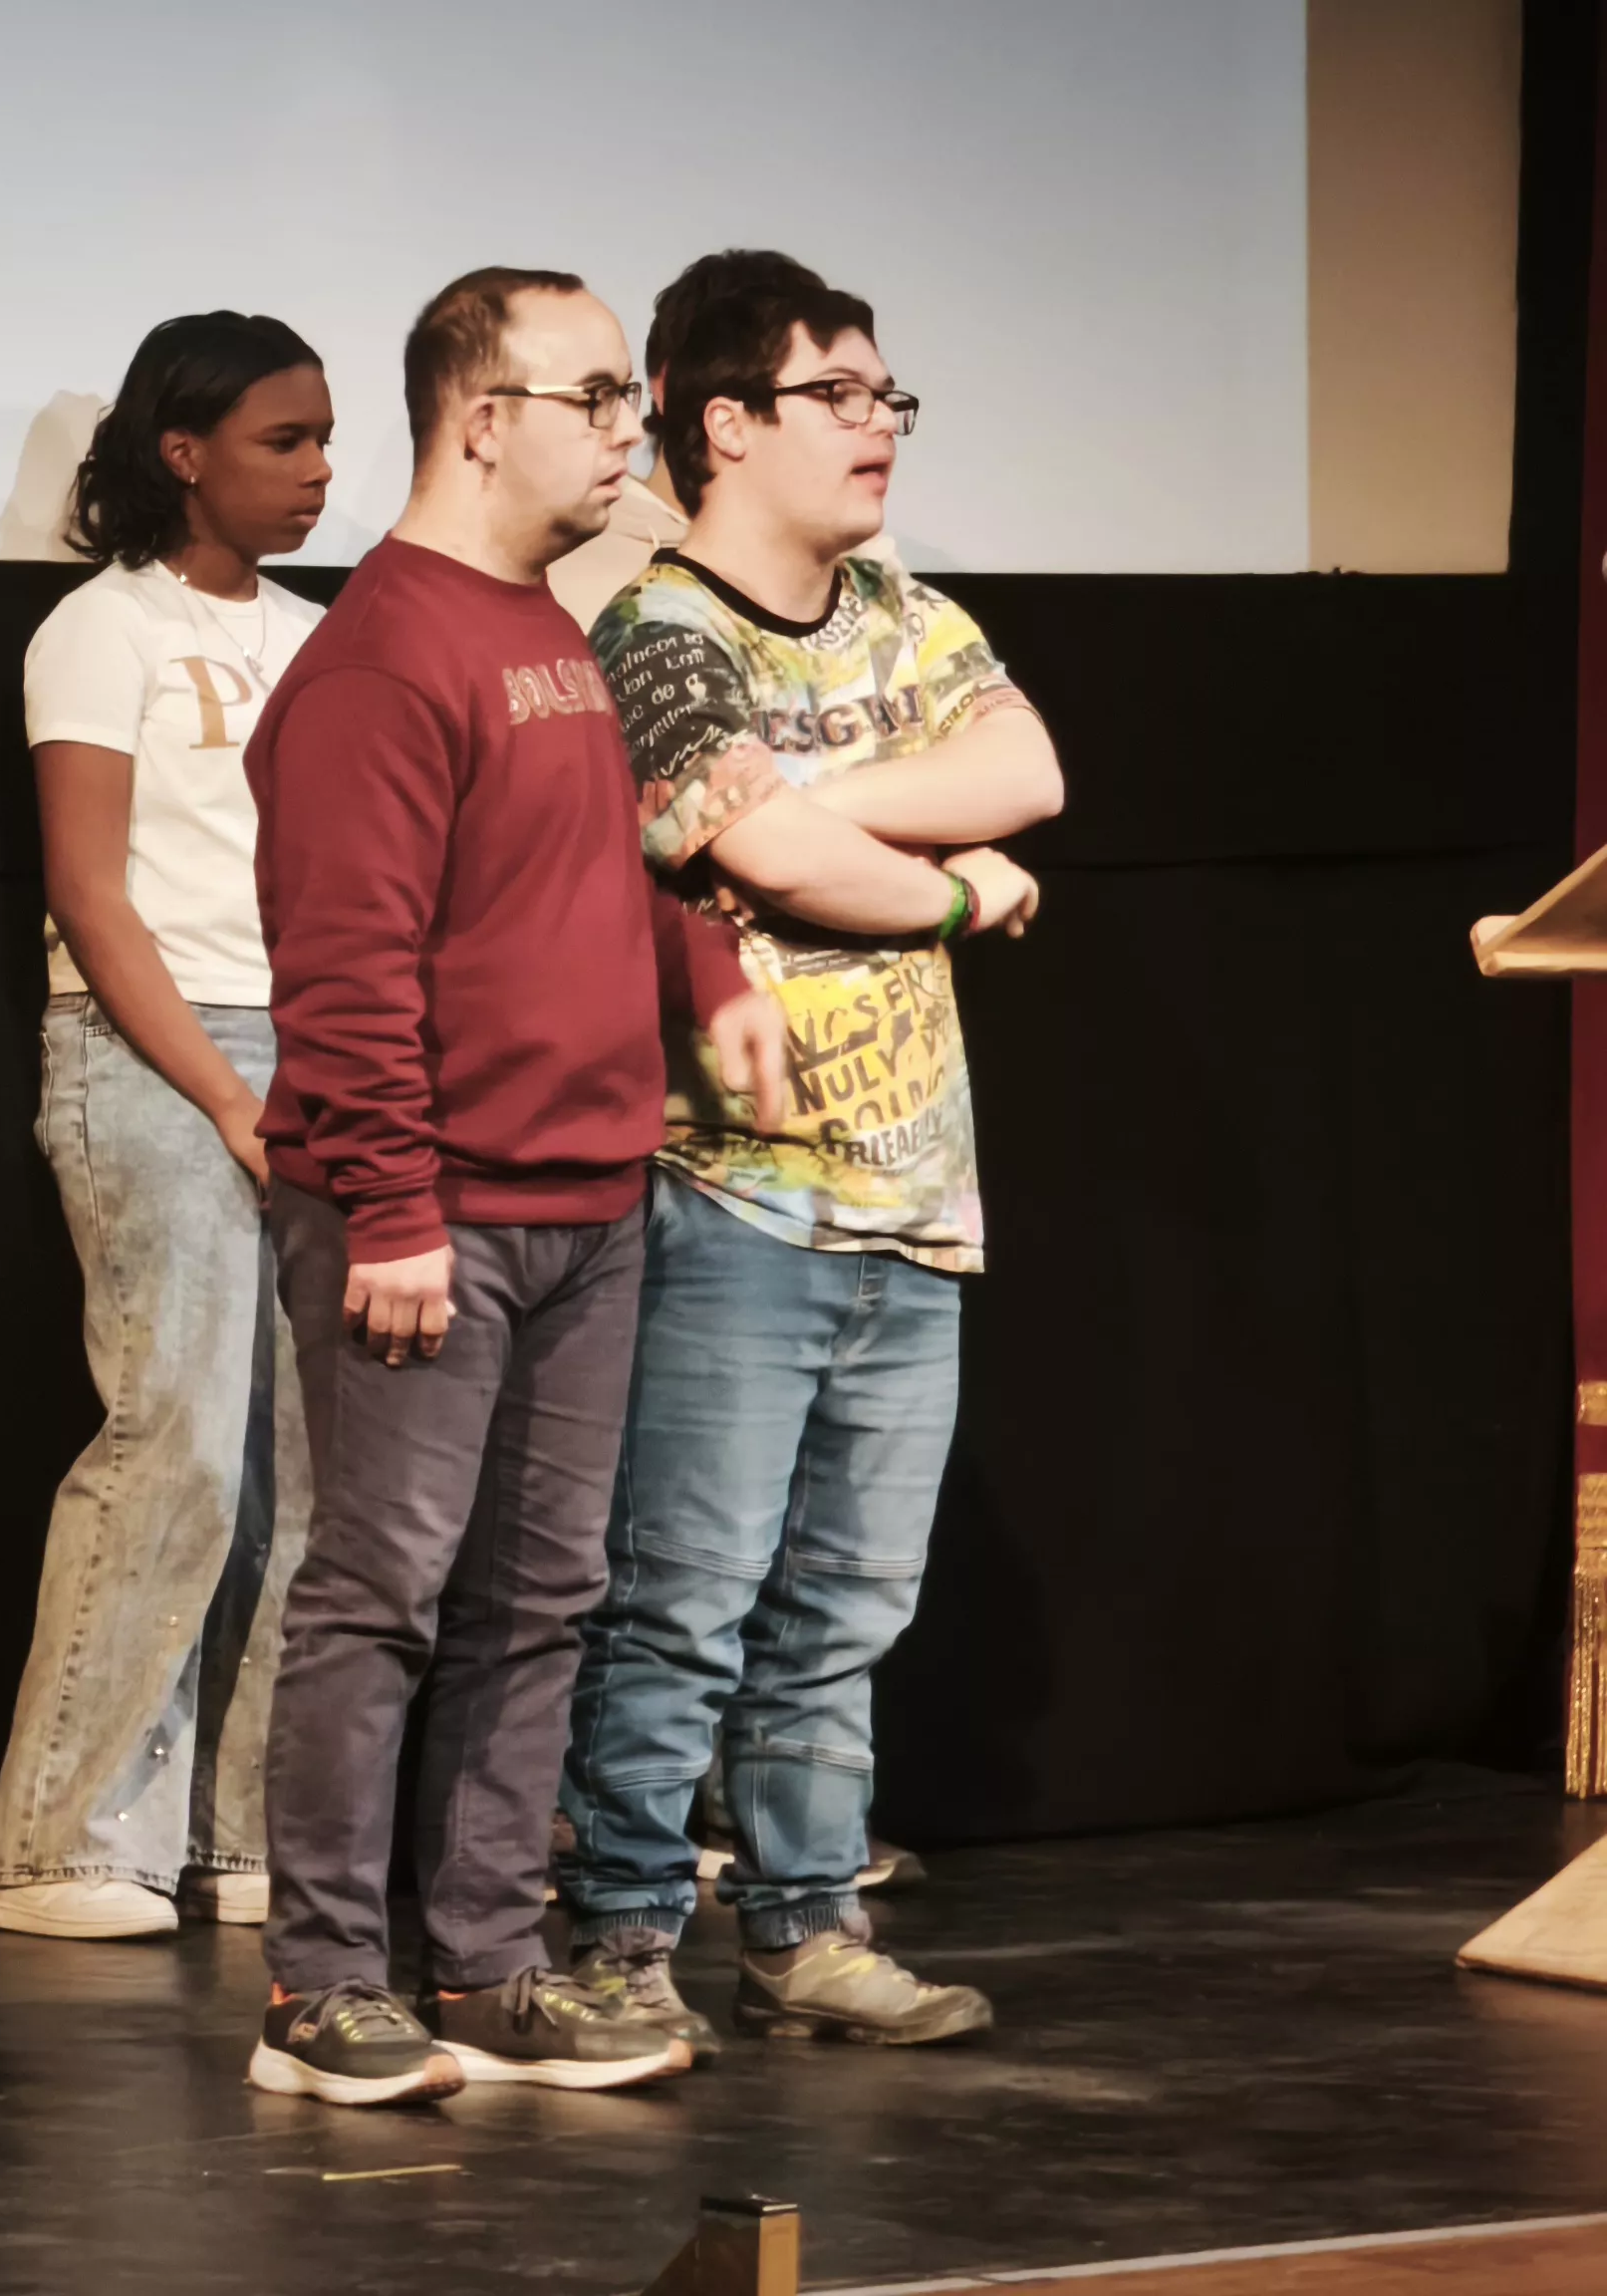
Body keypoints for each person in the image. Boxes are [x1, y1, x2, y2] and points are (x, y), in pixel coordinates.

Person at [240, 267, 791, 2109]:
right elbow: (344, 963)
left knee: (542, 1594)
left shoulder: (543, 630)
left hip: (589, 1202)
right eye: (602, 396)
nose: (633, 431)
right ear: (483, 417)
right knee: (383, 1592)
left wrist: (708, 984)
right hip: (436, 1218)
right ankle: (322, 1984)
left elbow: (602, 869)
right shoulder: (384, 653)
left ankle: (482, 1961)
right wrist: (393, 1207)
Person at [555, 250, 1054, 2054]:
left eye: (886, 397)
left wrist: (778, 809)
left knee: (847, 1602)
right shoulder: (653, 635)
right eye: (840, 396)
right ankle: (614, 1942)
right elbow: (781, 867)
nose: (880, 429)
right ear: (728, 423)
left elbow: (1027, 768)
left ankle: (802, 1927)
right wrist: (946, 887)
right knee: (683, 1597)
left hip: (913, 1207)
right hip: (733, 1196)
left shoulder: (901, 608)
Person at [0, 313, 332, 1942]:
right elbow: (92, 894)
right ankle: (63, 1840)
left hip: (320, 1046)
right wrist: (229, 1094)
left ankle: (246, 1832)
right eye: (283, 440)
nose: (319, 471)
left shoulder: (327, 637)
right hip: (152, 1047)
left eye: (328, 439)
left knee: (310, 1475)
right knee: (177, 1440)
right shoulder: (97, 630)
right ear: (182, 452)